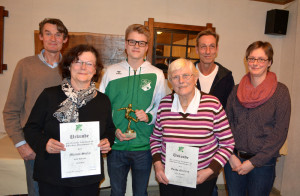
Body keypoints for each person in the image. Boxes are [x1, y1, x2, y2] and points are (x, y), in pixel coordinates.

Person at [23, 44, 115, 196]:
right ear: (69, 65)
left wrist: (107, 141)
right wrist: (44, 144)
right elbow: (30, 128)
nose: (83, 67)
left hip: (87, 176)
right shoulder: (49, 95)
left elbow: (110, 130)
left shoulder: (103, 101)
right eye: (78, 61)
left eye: (89, 63)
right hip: (52, 174)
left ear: (95, 70)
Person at [150, 58, 235, 196]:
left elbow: (228, 143)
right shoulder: (164, 104)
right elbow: (155, 139)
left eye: (185, 76)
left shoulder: (212, 104)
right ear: (170, 83)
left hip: (202, 178)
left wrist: (209, 171)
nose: (181, 81)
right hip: (169, 177)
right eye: (175, 77)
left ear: (195, 78)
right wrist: (158, 165)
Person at [2, 18, 68, 196]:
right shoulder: (25, 65)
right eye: (48, 33)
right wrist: (21, 144)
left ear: (65, 39)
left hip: (65, 146)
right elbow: (11, 110)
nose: (53, 38)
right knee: (37, 192)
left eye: (58, 34)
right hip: (34, 146)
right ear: (40, 37)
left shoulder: (71, 68)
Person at [100, 24, 166, 196]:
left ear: (147, 47)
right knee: (117, 192)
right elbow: (101, 108)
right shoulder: (110, 72)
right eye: (132, 41)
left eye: (142, 43)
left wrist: (149, 116)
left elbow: (162, 107)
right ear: (125, 44)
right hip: (116, 145)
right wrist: (112, 131)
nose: (136, 46)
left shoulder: (157, 74)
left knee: (140, 193)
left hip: (143, 146)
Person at [224, 41, 291, 196]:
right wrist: (230, 155)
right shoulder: (236, 90)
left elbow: (280, 131)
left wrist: (254, 162)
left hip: (263, 163)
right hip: (234, 159)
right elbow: (225, 124)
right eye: (251, 58)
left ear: (269, 62)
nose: (255, 63)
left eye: (261, 59)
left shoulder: (280, 92)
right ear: (246, 60)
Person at [194, 29, 234, 107]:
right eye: (203, 47)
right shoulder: (186, 74)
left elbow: (230, 109)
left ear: (217, 49)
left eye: (212, 46)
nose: (208, 51)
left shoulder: (226, 77)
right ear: (197, 49)